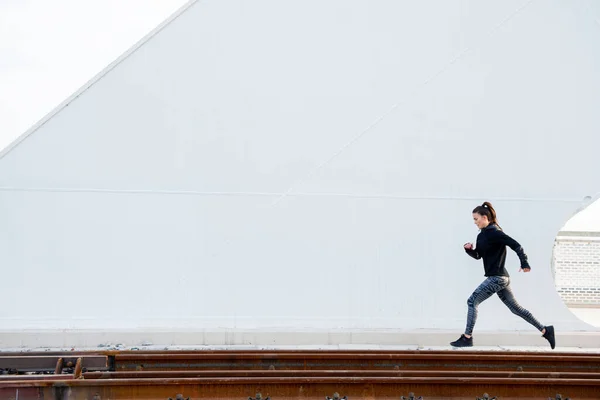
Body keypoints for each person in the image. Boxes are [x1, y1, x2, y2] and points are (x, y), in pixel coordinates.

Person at [450, 202, 555, 349]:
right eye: (473, 219)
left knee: (472, 301)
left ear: (485, 217)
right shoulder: (482, 235)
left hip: (497, 278)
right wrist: (469, 250)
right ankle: (545, 330)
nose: (474, 222)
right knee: (516, 309)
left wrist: (524, 263)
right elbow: (479, 255)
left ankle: (467, 337)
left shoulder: (495, 232)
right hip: (500, 278)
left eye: (476, 219)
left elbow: (516, 245)